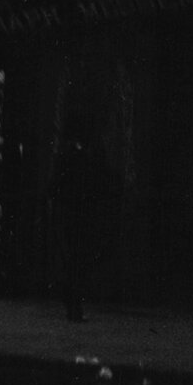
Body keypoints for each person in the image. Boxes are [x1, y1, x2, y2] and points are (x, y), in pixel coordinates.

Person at [51, 120, 114, 324]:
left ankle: (72, 307)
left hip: (69, 214)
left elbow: (54, 186)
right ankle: (74, 308)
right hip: (79, 215)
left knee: (72, 262)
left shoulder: (65, 157)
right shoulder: (83, 159)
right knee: (78, 263)